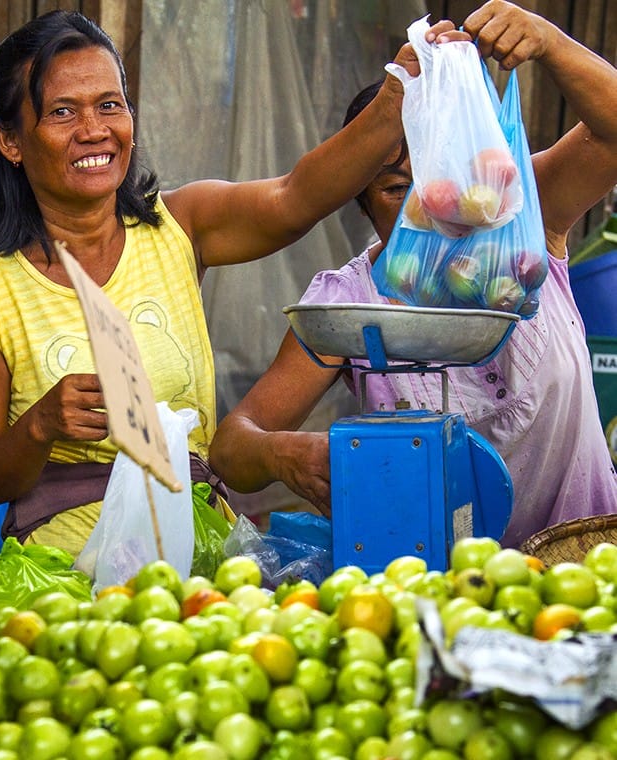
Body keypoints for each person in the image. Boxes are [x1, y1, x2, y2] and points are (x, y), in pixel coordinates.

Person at [0, 10, 468, 557]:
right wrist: (39, 428)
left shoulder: (181, 226)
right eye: (62, 112)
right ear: (10, 139)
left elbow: (295, 197)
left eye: (110, 105)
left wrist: (394, 98)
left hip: (204, 559)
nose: (94, 130)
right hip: (64, 579)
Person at [209, 0, 617, 550]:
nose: (425, 206)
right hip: (439, 594)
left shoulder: (525, 219)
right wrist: (287, 454)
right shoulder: (350, 304)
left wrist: (546, 40)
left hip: (587, 561)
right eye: (395, 187)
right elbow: (232, 448)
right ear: (357, 202)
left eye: (438, 175)